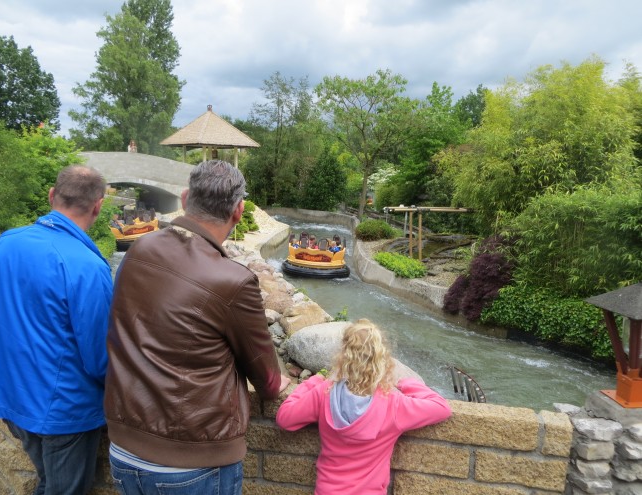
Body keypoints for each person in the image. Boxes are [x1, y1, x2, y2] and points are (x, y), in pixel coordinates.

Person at [104, 159, 290, 495]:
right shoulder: (233, 280)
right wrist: (281, 381)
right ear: (238, 210)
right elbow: (267, 377)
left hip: (123, 449)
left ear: (186, 197)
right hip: (192, 462)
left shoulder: (139, 249)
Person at [0, 165, 113, 494]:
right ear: (98, 206)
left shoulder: (4, 245)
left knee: (47, 483)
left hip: (13, 398)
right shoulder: (88, 267)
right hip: (64, 410)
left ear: (52, 195)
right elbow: (100, 357)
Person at [276, 319, 452, 495]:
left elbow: (285, 419)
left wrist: (311, 383)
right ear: (381, 359)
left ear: (343, 356)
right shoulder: (394, 404)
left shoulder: (324, 393)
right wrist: (408, 383)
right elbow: (441, 407)